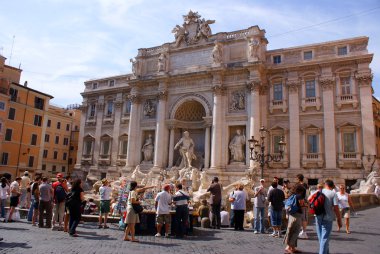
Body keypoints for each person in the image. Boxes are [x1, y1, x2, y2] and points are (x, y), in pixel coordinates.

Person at [315, 180, 342, 254]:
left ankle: (326, 252)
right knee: (325, 238)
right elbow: (336, 208)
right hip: (328, 217)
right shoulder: (333, 194)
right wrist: (339, 219)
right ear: (332, 186)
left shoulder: (318, 191)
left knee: (321, 238)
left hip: (317, 216)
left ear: (325, 185)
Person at [283, 184, 305, 254]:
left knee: (291, 231)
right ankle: (289, 247)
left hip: (292, 215)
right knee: (296, 232)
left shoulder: (292, 195)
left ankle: (293, 248)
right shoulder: (299, 196)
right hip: (297, 215)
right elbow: (301, 204)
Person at [295, 174, 309, 239]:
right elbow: (308, 194)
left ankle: (304, 232)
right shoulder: (305, 185)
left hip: (302, 203)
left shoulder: (300, 186)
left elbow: (301, 195)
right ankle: (303, 231)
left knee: (303, 217)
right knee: (303, 217)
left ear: (298, 179)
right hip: (304, 203)